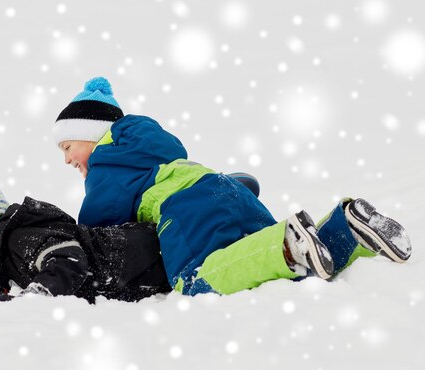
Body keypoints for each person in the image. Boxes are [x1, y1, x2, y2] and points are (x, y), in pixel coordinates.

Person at [52, 76, 412, 296]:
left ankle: (287, 244)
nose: (68, 161)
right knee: (280, 270)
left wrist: (75, 242)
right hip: (229, 189)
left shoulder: (105, 161)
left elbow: (100, 224)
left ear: (91, 134)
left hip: (187, 209)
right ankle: (345, 228)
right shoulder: (150, 149)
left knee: (195, 280)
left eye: (68, 148)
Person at [0, 168, 170, 312]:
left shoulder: (18, 239)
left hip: (142, 253)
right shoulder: (7, 261)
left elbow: (68, 258)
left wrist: (37, 296)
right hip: (140, 271)